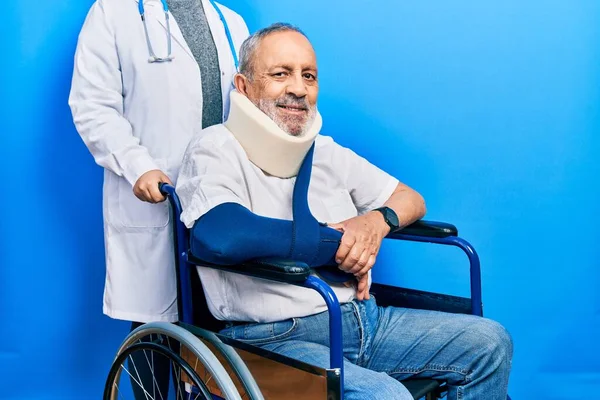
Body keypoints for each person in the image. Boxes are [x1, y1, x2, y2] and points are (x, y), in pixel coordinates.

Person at [176, 23, 513, 399]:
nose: (299, 89)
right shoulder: (215, 148)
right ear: (243, 86)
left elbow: (410, 198)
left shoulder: (326, 151)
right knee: (386, 396)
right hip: (275, 337)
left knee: (489, 342)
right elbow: (222, 236)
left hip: (364, 319)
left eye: (309, 76)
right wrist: (338, 246)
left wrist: (374, 222)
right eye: (280, 74)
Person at [68, 0, 249, 397]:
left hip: (221, 200)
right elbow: (92, 106)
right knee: (155, 329)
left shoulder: (230, 22)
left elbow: (249, 106)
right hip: (155, 197)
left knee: (218, 334)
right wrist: (138, 166)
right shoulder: (113, 13)